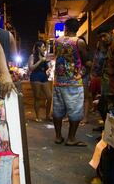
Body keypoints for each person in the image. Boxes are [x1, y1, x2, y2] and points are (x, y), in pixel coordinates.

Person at [52, 18, 87, 146]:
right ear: (77, 29)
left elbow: (57, 56)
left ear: (66, 28)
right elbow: (84, 59)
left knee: (58, 110)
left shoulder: (58, 41)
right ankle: (71, 138)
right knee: (75, 110)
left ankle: (58, 136)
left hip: (59, 81)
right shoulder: (79, 42)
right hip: (73, 82)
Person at [28, 41, 52, 122]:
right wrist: (40, 61)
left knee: (49, 96)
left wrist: (48, 66)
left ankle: (47, 116)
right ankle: (37, 117)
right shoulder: (32, 56)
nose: (44, 48)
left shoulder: (44, 57)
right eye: (43, 47)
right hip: (35, 77)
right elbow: (31, 68)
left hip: (44, 77)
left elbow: (47, 68)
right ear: (38, 48)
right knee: (37, 98)